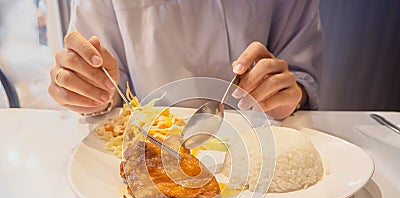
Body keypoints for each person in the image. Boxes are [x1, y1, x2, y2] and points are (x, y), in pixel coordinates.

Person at [48, 0, 322, 120]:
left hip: (263, 139)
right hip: (148, 144)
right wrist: (89, 88)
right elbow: (104, 86)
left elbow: (300, 72)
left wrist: (290, 95)